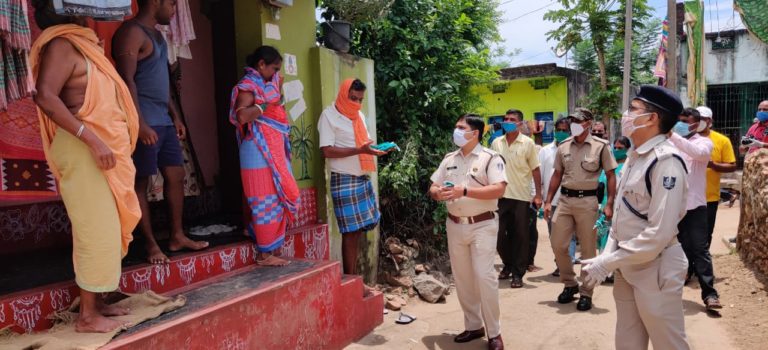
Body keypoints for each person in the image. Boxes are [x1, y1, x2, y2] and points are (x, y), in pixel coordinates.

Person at [30, 3, 141, 332]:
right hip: (84, 149)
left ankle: (98, 302)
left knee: (107, 227)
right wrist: (93, 140)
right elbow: (45, 96)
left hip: (98, 150)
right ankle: (88, 316)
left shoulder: (83, 44)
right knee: (95, 228)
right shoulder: (61, 44)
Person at [580, 85, 691, 349]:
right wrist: (608, 254)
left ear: (651, 118)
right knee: (628, 340)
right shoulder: (634, 157)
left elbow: (659, 233)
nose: (626, 115)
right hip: (627, 263)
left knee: (668, 342)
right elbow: (621, 215)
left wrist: (608, 262)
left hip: (656, 265)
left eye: (633, 109)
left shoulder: (666, 162)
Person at [112, 0, 208, 264]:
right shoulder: (131, 33)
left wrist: (175, 116)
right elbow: (126, 81)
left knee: (176, 175)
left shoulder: (157, 35)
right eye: (172, 3)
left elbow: (162, 82)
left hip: (163, 121)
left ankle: (177, 236)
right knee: (140, 182)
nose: (175, 9)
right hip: (144, 121)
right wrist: (139, 123)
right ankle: (151, 245)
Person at [429, 114, 506, 350]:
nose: (457, 131)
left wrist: (464, 191)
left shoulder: (490, 158)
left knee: (484, 277)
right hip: (455, 224)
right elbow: (434, 186)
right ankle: (474, 326)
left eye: (461, 127)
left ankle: (495, 333)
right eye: (456, 127)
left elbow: (499, 189)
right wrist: (437, 193)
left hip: (482, 224)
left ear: (475, 133)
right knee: (462, 278)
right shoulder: (449, 159)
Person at [228, 46, 299, 266]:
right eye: (274, 68)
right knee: (264, 201)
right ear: (261, 65)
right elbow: (242, 116)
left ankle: (261, 239)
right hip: (257, 150)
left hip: (269, 149)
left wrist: (273, 94)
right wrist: (266, 104)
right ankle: (264, 254)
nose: (276, 73)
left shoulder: (267, 85)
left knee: (276, 197)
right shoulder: (249, 86)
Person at [543, 108, 617, 311]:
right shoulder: (564, 146)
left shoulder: (600, 146)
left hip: (588, 202)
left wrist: (609, 203)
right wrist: (548, 201)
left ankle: (586, 291)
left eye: (578, 121)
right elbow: (557, 175)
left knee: (588, 249)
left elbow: (611, 175)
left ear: (588, 123)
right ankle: (570, 283)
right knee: (558, 244)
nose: (573, 124)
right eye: (572, 120)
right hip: (565, 201)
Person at [318, 78, 386, 277]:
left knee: (358, 231)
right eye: (353, 98)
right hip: (344, 179)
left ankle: (355, 280)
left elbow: (363, 144)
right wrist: (359, 150)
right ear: (343, 94)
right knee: (350, 232)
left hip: (361, 177)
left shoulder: (359, 116)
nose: (356, 103)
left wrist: (374, 150)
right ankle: (350, 280)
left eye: (360, 99)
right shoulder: (329, 116)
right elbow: (327, 151)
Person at [668, 108, 722, 310]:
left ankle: (710, 295)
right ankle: (669, 292)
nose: (681, 124)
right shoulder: (669, 143)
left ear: (696, 124)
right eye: (679, 120)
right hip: (672, 205)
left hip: (695, 206)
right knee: (670, 249)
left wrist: (671, 135)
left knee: (700, 249)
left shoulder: (704, 143)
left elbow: (698, 154)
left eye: (685, 121)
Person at [490, 109, 542, 288]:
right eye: (505, 118)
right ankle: (508, 263)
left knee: (521, 235)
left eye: (512, 119)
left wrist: (538, 195)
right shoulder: (496, 143)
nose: (507, 121)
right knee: (497, 234)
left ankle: (518, 273)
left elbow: (535, 169)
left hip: (521, 197)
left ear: (520, 123)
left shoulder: (528, 143)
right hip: (499, 196)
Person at [539, 117, 577, 277]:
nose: (561, 133)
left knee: (570, 235)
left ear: (570, 132)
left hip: (571, 199)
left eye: (564, 130)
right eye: (558, 130)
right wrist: (540, 199)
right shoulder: (545, 151)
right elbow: (540, 176)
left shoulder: (576, 149)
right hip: (552, 201)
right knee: (554, 236)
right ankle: (560, 262)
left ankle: (567, 264)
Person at [696, 106, 736, 248]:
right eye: (696, 118)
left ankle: (702, 260)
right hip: (684, 196)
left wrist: (712, 165)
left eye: (702, 119)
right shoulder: (685, 138)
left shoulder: (722, 140)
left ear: (709, 121)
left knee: (705, 234)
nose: (699, 121)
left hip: (709, 197)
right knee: (684, 234)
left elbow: (732, 165)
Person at [596, 137, 631, 254]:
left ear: (627, 149)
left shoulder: (629, 167)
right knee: (603, 237)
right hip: (604, 207)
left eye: (620, 148)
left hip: (621, 209)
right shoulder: (608, 167)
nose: (616, 150)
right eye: (615, 148)